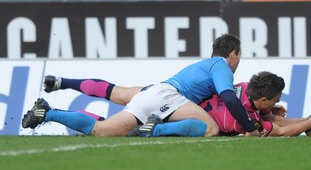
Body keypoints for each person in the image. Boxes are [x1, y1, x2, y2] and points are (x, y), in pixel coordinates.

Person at [22, 34, 261, 137]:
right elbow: (229, 98)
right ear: (233, 54)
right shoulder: (221, 66)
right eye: (239, 57)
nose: (238, 62)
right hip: (169, 97)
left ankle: (47, 111)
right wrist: (250, 126)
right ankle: (155, 129)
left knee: (102, 128)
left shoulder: (206, 64)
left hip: (157, 91)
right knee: (210, 129)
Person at [24, 71, 311, 137]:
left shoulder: (239, 87)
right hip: (168, 107)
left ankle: (62, 83)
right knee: (106, 130)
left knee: (117, 92)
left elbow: (272, 118)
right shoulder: (238, 116)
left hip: (163, 91)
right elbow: (276, 131)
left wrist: (296, 116)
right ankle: (48, 111)